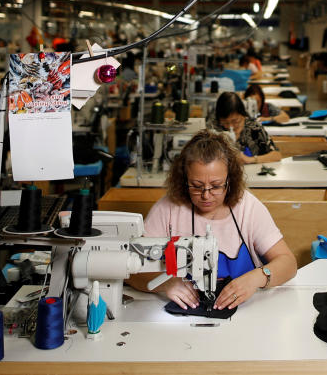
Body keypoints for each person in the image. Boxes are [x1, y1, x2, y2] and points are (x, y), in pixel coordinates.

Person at [127, 130, 297, 310]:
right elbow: (129, 271)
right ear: (184, 180)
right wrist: (165, 284)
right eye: (196, 186)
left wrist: (257, 278)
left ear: (230, 181)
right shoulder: (168, 209)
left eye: (216, 186)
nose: (206, 195)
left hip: (248, 313)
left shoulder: (247, 207)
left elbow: (288, 263)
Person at [208, 92, 281, 164]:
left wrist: (251, 159)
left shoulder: (254, 127)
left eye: (235, 121)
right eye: (225, 122)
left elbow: (276, 155)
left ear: (243, 115)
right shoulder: (213, 127)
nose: (230, 126)